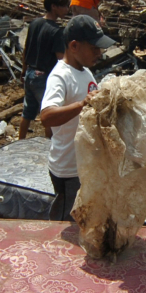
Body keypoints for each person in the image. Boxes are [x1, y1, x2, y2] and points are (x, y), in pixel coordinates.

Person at [39, 15, 116, 221]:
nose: (99, 53)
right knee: (67, 220)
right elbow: (46, 117)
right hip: (68, 169)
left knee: (84, 218)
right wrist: (82, 104)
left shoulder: (86, 72)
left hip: (84, 164)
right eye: (94, 48)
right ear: (74, 46)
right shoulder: (60, 76)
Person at [19, 0, 71, 140]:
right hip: (44, 77)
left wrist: (23, 71)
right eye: (64, 6)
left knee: (27, 113)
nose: (67, 9)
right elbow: (60, 60)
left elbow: (26, 49)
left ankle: (19, 142)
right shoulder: (57, 31)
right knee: (49, 115)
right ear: (54, 6)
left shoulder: (34, 23)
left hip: (30, 73)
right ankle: (49, 147)